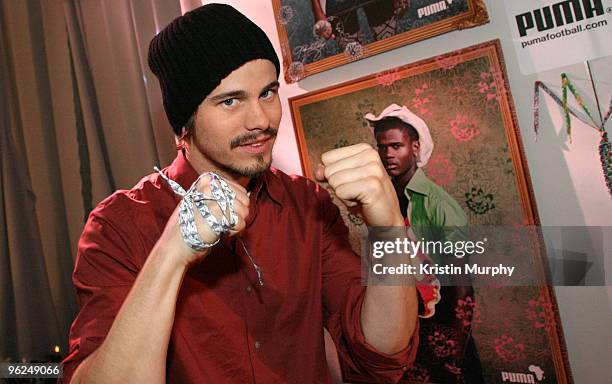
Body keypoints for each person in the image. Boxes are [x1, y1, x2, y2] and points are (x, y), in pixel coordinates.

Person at [60, 5, 434, 384]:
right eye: (230, 100)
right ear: (182, 125)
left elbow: (383, 352)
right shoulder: (120, 225)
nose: (261, 120)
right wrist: (170, 255)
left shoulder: (306, 205)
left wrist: (388, 227)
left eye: (267, 92)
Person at [368, 104, 484, 383]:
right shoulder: (385, 199)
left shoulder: (439, 205)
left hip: (440, 328)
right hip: (404, 325)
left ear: (416, 147)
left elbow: (461, 285)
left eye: (396, 146)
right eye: (382, 147)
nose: (388, 155)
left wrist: (452, 349)